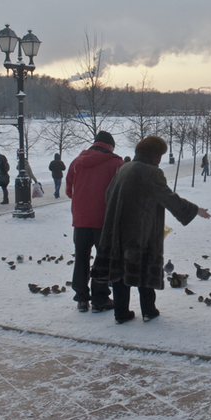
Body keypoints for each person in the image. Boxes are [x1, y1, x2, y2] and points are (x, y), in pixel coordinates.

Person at [92, 135, 211, 324]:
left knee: (121, 272)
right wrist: (195, 210)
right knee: (143, 268)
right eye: (160, 155)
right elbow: (169, 198)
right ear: (154, 155)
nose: (161, 159)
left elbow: (108, 195)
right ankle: (149, 310)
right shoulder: (150, 172)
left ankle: (121, 314)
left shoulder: (124, 168)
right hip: (140, 231)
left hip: (117, 230)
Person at [66, 131, 124, 314]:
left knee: (81, 257)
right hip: (104, 220)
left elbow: (69, 191)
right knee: (103, 259)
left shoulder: (76, 163)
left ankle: (82, 299)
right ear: (110, 146)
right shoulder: (116, 164)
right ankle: (100, 299)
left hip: (80, 219)